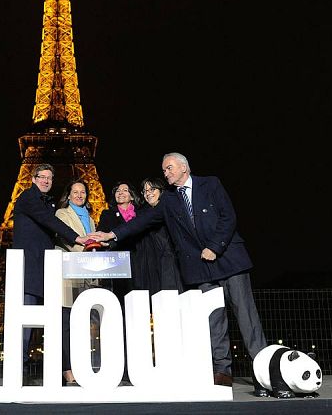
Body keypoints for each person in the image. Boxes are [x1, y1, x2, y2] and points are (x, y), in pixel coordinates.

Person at [88, 153, 269, 396]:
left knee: (247, 317)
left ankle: (262, 371)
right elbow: (142, 221)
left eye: (169, 168)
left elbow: (228, 217)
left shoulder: (211, 183)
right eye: (164, 170)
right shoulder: (170, 200)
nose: (166, 173)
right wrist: (111, 235)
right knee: (214, 320)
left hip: (228, 260)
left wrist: (215, 247)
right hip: (201, 266)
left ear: (184, 167)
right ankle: (222, 370)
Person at [11, 164, 92, 379]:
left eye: (50, 178)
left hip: (47, 269)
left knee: (54, 322)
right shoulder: (28, 198)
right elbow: (50, 221)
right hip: (29, 269)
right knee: (26, 321)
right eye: (42, 177)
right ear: (33, 178)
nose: (46, 181)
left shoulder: (50, 203)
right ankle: (18, 371)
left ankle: (60, 370)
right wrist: (76, 237)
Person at [54, 179, 99, 386]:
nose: (80, 195)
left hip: (86, 277)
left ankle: (82, 367)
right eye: (76, 192)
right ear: (69, 195)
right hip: (69, 275)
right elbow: (65, 238)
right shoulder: (62, 214)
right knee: (66, 325)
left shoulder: (90, 218)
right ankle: (67, 369)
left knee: (81, 324)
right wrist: (89, 252)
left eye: (83, 192)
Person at [135, 177, 184, 295]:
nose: (148, 193)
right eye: (145, 191)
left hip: (174, 261)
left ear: (161, 190)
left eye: (152, 189)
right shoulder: (142, 215)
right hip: (153, 265)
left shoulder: (172, 208)